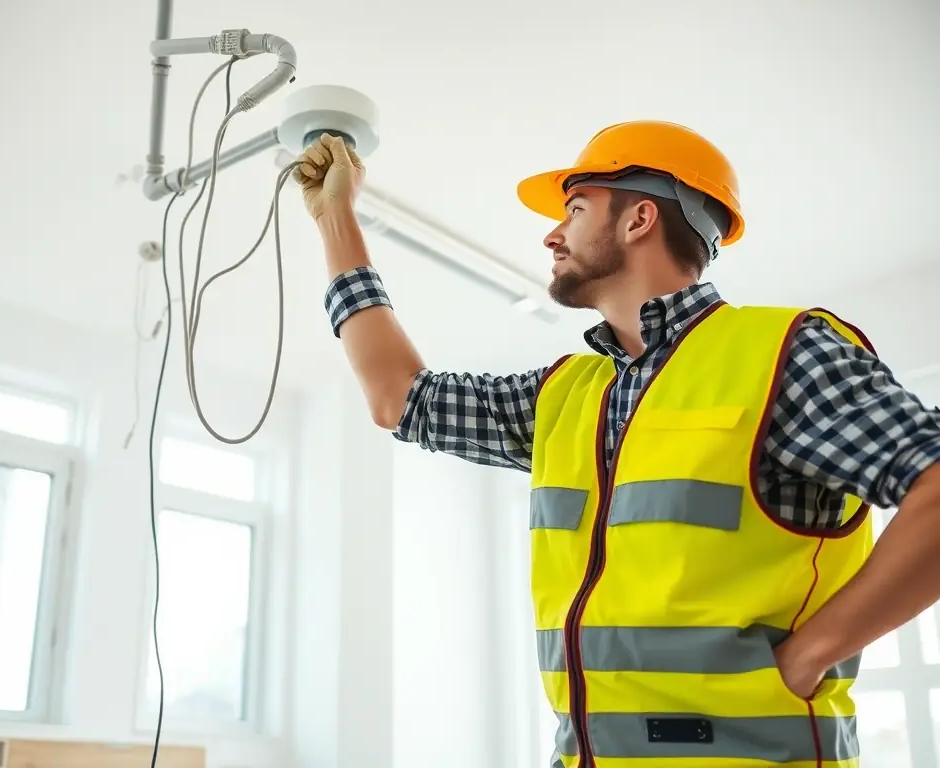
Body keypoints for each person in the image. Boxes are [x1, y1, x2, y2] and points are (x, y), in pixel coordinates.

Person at [294, 124, 940, 767]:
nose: (552, 234)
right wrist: (335, 220)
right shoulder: (566, 394)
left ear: (639, 218)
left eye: (574, 210)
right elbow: (398, 397)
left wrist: (809, 656)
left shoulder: (784, 355)